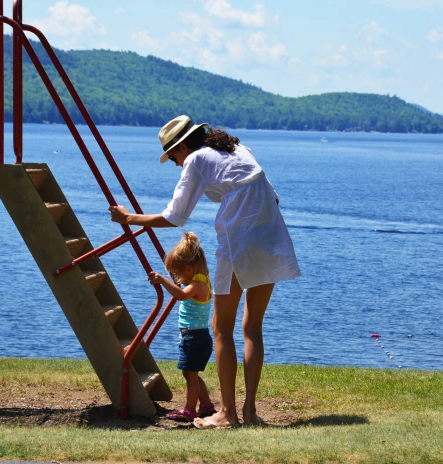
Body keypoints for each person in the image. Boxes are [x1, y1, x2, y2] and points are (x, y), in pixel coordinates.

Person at [109, 115, 301, 428]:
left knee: (220, 326)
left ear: (182, 145)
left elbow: (175, 217)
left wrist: (128, 218)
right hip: (272, 235)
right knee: (252, 326)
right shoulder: (239, 149)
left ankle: (227, 414)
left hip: (240, 239)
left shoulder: (196, 159)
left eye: (172, 155)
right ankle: (250, 412)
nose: (174, 163)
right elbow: (273, 195)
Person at [148, 231, 216, 422]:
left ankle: (189, 410)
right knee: (190, 373)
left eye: (177, 274)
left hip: (194, 338)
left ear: (188, 270)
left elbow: (180, 295)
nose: (177, 279)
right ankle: (206, 405)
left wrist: (163, 280)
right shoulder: (203, 281)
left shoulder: (196, 286)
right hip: (196, 337)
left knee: (191, 377)